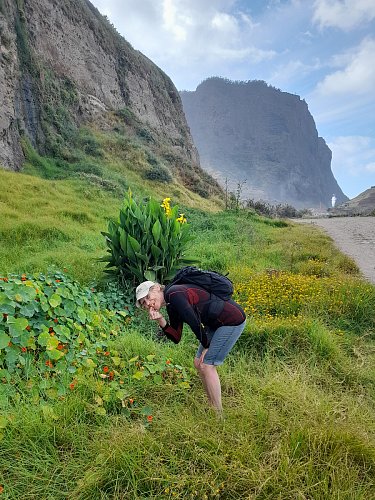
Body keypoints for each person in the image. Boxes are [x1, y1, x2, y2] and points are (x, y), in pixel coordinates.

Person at [135, 278, 246, 415]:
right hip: (216, 323)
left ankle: (218, 415)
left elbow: (194, 321)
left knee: (207, 365)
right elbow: (176, 337)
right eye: (143, 303)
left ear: (157, 288)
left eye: (147, 297)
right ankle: (212, 405)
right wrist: (161, 320)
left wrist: (206, 345)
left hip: (232, 320)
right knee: (197, 362)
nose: (148, 303)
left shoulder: (174, 294)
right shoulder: (171, 303)